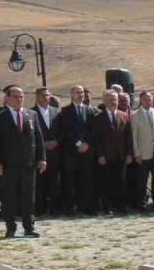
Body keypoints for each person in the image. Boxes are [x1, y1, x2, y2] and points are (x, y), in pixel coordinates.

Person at [0, 86, 45, 238]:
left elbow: (38, 138)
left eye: (21, 96)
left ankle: (29, 227)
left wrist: (42, 158)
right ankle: (10, 227)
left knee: (28, 196)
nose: (19, 99)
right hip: (8, 164)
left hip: (29, 163)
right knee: (9, 196)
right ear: (8, 98)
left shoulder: (32, 114)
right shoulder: (0, 117)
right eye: (16, 96)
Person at [91, 90, 132, 213]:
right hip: (106, 156)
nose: (113, 102)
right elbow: (97, 139)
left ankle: (121, 205)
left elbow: (128, 137)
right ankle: (107, 206)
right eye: (110, 100)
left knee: (121, 181)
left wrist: (129, 153)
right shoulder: (98, 118)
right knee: (106, 182)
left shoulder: (124, 116)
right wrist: (100, 155)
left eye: (115, 99)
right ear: (104, 101)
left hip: (121, 155)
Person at [56, 86, 95, 214]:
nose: (80, 95)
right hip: (71, 152)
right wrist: (79, 144)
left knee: (86, 179)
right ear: (72, 95)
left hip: (86, 151)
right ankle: (70, 207)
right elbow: (66, 131)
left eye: (82, 92)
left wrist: (87, 144)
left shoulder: (90, 110)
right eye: (77, 92)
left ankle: (86, 206)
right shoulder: (65, 111)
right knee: (70, 180)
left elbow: (92, 130)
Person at [130, 92, 154, 211]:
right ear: (141, 100)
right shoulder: (135, 115)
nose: (148, 102)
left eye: (149, 100)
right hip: (143, 152)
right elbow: (134, 137)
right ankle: (140, 204)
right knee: (142, 180)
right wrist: (136, 153)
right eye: (145, 100)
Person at [31, 87, 59, 215]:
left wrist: (57, 141)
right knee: (40, 182)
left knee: (54, 181)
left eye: (48, 95)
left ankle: (54, 208)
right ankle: (39, 209)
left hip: (55, 152)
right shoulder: (32, 112)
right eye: (43, 95)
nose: (46, 97)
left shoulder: (56, 112)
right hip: (39, 153)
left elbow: (62, 130)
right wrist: (43, 144)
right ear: (37, 97)